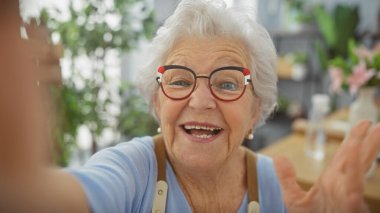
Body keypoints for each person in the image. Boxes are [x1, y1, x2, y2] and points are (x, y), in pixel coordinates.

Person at [1, 0, 380, 212]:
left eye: (228, 83)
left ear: (255, 110)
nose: (200, 100)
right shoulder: (131, 173)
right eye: (179, 80)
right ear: (156, 99)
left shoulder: (278, 187)